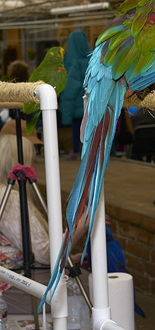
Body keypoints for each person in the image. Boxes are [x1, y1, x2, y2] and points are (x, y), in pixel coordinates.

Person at [0, 119, 90, 313]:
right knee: (91, 284)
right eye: (33, 159)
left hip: (14, 276)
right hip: (10, 285)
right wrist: (82, 224)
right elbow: (46, 254)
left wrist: (67, 259)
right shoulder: (11, 199)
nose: (35, 165)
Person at [59, 30, 92, 160]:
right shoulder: (93, 60)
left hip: (77, 104)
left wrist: (65, 112)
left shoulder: (73, 63)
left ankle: (76, 151)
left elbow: (70, 88)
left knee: (76, 127)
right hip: (91, 102)